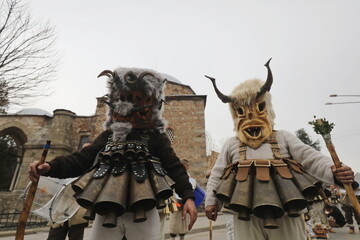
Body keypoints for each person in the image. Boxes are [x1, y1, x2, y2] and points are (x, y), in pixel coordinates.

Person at [29, 67, 197, 240]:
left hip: (145, 210)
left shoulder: (155, 137)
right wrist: (49, 167)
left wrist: (188, 197)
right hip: (105, 207)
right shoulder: (108, 136)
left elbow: (174, 167)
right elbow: (80, 160)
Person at [204, 59, 355, 240]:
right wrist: (211, 201)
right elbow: (217, 173)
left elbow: (311, 158)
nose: (251, 117)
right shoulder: (232, 143)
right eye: (242, 111)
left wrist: (335, 171)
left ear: (266, 108)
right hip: (244, 214)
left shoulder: (282, 137)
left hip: (286, 211)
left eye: (258, 107)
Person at [169, 159, 195, 240]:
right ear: (183, 165)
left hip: (184, 202)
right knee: (174, 222)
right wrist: (175, 203)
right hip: (176, 202)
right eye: (187, 165)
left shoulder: (188, 175)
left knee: (183, 223)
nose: (188, 167)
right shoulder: (176, 173)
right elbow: (172, 189)